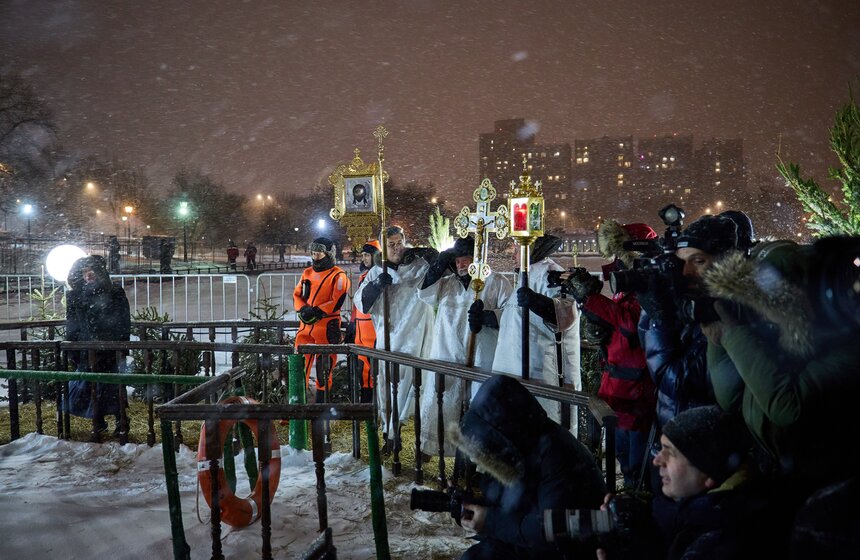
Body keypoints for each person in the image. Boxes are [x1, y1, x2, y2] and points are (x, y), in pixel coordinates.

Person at [701, 238, 860, 492]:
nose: (760, 308)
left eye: (766, 298)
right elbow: (729, 398)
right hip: (778, 475)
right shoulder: (774, 335)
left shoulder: (846, 347)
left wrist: (733, 335)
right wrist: (718, 337)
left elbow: (787, 408)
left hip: (824, 488)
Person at [450, 374, 607, 560]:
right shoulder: (522, 446)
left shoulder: (556, 455)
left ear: (503, 432)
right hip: (532, 543)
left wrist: (490, 521)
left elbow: (550, 533)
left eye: (488, 443)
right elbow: (514, 505)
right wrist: (473, 508)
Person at [564, 220, 658, 489]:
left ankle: (638, 513)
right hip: (619, 394)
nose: (616, 262)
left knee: (639, 469)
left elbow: (631, 323)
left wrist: (591, 299)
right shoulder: (625, 291)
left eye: (620, 255)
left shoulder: (649, 290)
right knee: (625, 461)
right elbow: (621, 329)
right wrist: (601, 332)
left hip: (638, 398)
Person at [647, 405, 786, 560]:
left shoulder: (717, 544)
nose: (657, 460)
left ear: (708, 474)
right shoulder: (700, 514)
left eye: (670, 453)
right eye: (661, 448)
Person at [417, 236, 512, 456]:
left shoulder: (496, 282)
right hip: (447, 356)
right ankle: (435, 446)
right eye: (457, 260)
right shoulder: (448, 284)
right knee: (443, 405)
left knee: (478, 411)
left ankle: (476, 460)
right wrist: (439, 264)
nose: (460, 264)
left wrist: (489, 317)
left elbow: (511, 314)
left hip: (481, 359)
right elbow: (424, 294)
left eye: (465, 259)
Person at [353, 225, 437, 450]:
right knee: (387, 388)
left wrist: (433, 256)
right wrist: (376, 285)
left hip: (415, 337)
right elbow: (361, 302)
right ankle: (389, 434)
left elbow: (437, 281)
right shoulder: (376, 271)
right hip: (388, 337)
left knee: (414, 390)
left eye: (400, 243)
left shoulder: (418, 266)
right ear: (384, 247)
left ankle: (420, 441)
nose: (397, 248)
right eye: (391, 245)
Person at [491, 235, 580, 426]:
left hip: (539, 372)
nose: (513, 254)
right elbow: (517, 317)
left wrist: (538, 302)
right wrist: (489, 318)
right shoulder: (527, 275)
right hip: (515, 369)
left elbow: (565, 315)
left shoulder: (551, 275)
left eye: (517, 248)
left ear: (529, 249)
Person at [64, 255, 132, 436]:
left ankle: (121, 422)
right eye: (85, 271)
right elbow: (72, 324)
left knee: (114, 387)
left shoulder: (114, 293)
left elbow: (123, 321)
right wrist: (74, 349)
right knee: (91, 387)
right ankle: (99, 421)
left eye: (92, 270)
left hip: (111, 350)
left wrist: (121, 346)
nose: (89, 274)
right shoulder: (76, 295)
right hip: (87, 350)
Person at [293, 237, 350, 400]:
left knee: (323, 371)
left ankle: (321, 410)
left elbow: (337, 299)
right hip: (305, 328)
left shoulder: (338, 275)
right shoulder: (307, 273)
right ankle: (297, 409)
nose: (315, 257)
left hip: (326, 328)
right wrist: (302, 308)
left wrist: (318, 311)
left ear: (329, 254)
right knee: (298, 367)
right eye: (313, 253)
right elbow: (297, 294)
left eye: (319, 253)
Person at [345, 240, 381, 403]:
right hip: (361, 331)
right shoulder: (364, 276)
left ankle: (371, 409)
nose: (364, 258)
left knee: (371, 372)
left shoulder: (379, 275)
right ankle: (366, 407)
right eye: (363, 255)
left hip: (371, 331)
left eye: (368, 255)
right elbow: (357, 304)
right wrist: (352, 324)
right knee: (364, 372)